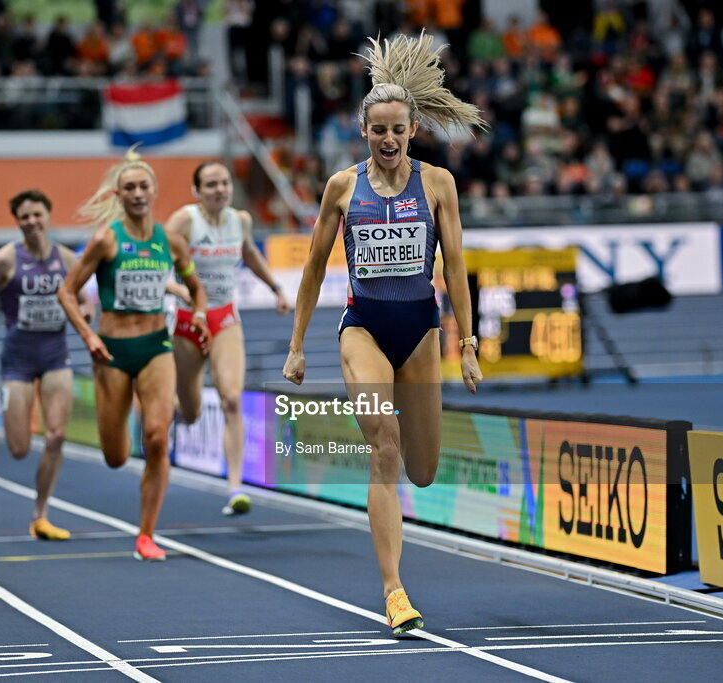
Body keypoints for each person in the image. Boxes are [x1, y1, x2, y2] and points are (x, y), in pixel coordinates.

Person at [282, 33, 484, 636]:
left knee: (421, 469)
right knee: (385, 447)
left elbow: (455, 270)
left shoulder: (438, 185)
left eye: (399, 130)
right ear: (363, 132)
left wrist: (468, 346)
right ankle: (394, 589)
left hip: (420, 330)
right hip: (363, 328)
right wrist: (296, 348)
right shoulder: (343, 188)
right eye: (379, 131)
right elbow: (315, 267)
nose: (389, 140)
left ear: (413, 128)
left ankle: (397, 569)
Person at [57, 148, 209, 561]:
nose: (138, 193)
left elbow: (196, 287)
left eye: (144, 186)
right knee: (115, 456)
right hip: (112, 351)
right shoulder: (107, 239)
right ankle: (120, 448)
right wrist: (88, 335)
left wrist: (197, 313)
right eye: (130, 187)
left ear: (154, 191)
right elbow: (66, 291)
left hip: (156, 346)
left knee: (157, 438)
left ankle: (146, 534)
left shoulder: (171, 242)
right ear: (118, 194)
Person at [0, 189, 93, 540]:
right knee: (19, 448)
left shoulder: (66, 259)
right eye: (24, 217)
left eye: (37, 214)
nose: (32, 222)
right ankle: (24, 430)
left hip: (55, 355)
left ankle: (40, 513)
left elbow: (85, 300)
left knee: (57, 435)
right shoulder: (6, 259)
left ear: (49, 216)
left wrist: (85, 311)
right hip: (17, 359)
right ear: (17, 222)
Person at [165, 161, 291, 516]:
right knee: (189, 414)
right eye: (210, 185)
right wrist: (181, 290)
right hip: (189, 322)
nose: (219, 189)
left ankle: (235, 487)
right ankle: (170, 410)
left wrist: (276, 288)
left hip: (224, 319)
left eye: (224, 183)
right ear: (197, 191)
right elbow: (156, 263)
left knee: (232, 399)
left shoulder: (241, 221)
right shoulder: (184, 221)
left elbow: (249, 254)